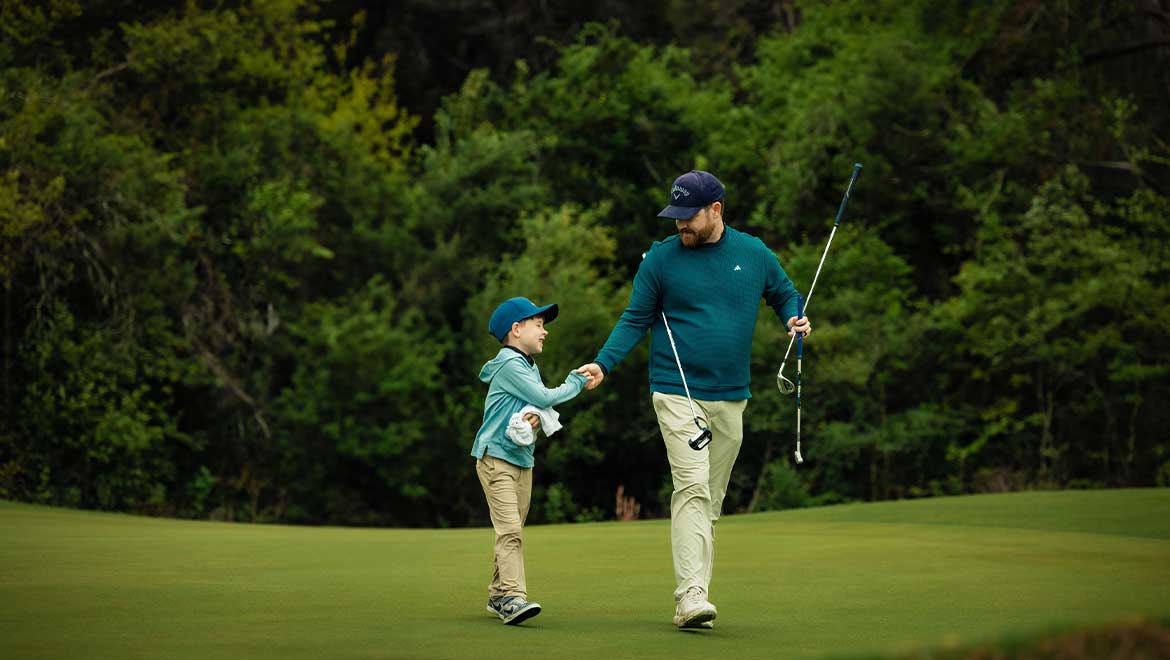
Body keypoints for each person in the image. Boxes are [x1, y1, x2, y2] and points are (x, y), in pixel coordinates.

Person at [575, 170, 811, 630]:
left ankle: (696, 594)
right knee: (692, 487)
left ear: (716, 210)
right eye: (675, 216)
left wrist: (794, 318)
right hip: (676, 391)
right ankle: (690, 596)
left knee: (711, 500)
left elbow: (786, 294)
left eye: (689, 216)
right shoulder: (661, 259)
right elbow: (635, 318)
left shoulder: (754, 253)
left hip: (732, 396)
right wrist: (604, 363)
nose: (680, 224)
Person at [472, 296, 591, 625]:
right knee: (510, 530)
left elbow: (534, 406)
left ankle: (499, 594)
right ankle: (512, 597)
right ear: (516, 329)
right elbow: (543, 397)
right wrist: (576, 381)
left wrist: (535, 417)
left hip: (521, 460)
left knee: (513, 530)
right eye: (538, 324)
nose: (544, 331)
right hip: (496, 458)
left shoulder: (527, 365)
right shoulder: (511, 364)